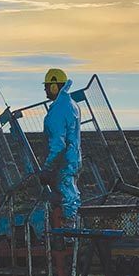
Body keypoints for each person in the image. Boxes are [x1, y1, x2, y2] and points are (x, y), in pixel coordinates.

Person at [38, 68, 81, 225]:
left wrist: (48, 168)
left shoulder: (58, 110)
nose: (45, 90)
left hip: (63, 164)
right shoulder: (71, 105)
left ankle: (69, 236)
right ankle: (64, 234)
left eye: (47, 86)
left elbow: (58, 144)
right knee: (65, 198)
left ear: (55, 86)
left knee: (67, 199)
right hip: (72, 160)